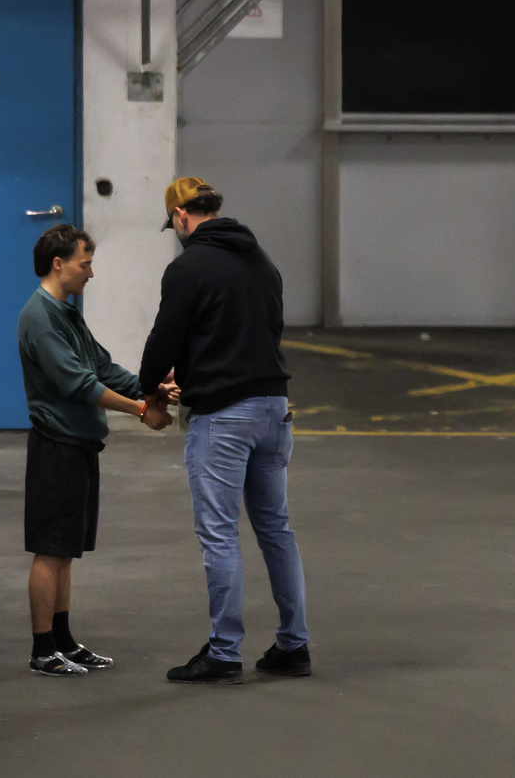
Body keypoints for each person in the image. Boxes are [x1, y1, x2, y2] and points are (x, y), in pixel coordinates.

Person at [138, 177, 311, 684]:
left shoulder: (187, 268)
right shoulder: (263, 261)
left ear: (181, 218)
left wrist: (152, 389)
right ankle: (293, 644)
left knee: (219, 534)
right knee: (276, 528)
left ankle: (224, 650)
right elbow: (266, 329)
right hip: (274, 408)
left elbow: (162, 340)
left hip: (224, 417)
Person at [17, 223, 176, 677]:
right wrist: (141, 409)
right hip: (56, 446)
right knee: (50, 549)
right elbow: (79, 382)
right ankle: (42, 649)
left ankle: (64, 640)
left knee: (65, 549)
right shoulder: (39, 317)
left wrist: (152, 387)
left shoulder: (65, 312)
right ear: (59, 264)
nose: (91, 273)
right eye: (85, 264)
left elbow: (101, 366)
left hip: (78, 445)